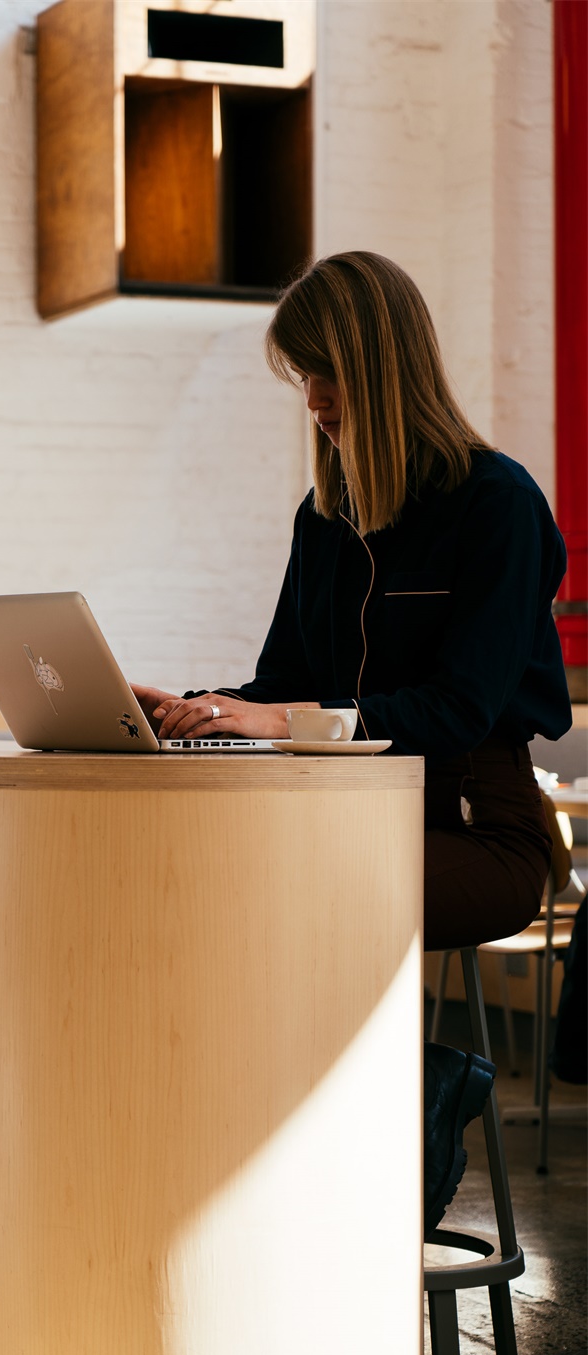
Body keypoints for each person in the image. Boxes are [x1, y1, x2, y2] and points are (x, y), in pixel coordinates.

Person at [132, 251, 572, 1234]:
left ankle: (391, 1126)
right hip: (337, 827)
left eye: (320, 375)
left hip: (475, 826)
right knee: (199, 880)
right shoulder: (323, 513)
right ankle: (277, 1152)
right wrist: (204, 708)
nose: (312, 402)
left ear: (375, 366)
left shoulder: (495, 504)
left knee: (282, 894)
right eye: (301, 379)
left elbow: (459, 707)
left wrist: (280, 720)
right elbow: (287, 686)